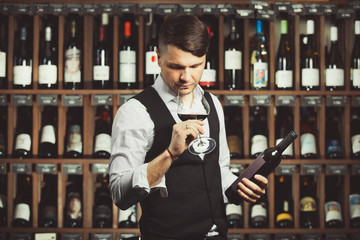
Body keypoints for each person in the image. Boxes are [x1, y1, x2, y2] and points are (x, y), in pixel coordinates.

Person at [109, 14, 268, 240]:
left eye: (195, 66)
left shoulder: (213, 104)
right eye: (176, 67)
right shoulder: (135, 112)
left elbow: (218, 170)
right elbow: (119, 194)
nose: (186, 77)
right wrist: (169, 154)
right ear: (158, 58)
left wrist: (240, 186)